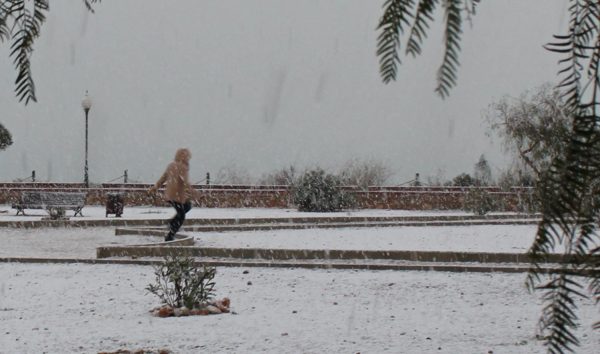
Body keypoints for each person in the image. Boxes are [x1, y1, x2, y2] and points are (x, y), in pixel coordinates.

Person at [149, 148, 196, 241]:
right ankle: (170, 235)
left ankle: (172, 223)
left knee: (188, 206)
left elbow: (163, 178)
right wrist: (196, 194)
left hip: (171, 195)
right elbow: (186, 183)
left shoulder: (171, 165)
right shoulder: (182, 167)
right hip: (176, 196)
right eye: (186, 156)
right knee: (182, 216)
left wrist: (154, 188)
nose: (187, 158)